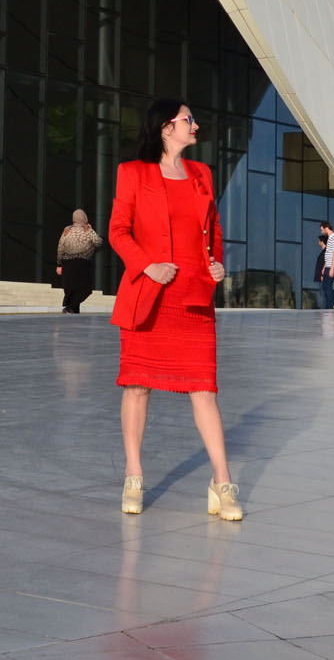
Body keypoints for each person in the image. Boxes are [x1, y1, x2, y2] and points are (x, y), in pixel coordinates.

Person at [109, 98, 241, 521]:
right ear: (166, 128)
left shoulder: (202, 174)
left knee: (205, 389)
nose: (195, 125)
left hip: (193, 299)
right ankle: (133, 475)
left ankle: (222, 483)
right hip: (149, 295)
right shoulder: (132, 173)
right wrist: (147, 265)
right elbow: (118, 231)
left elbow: (212, 230)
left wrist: (216, 263)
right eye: (188, 120)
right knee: (137, 386)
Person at [55, 209, 103, 314]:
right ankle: (70, 308)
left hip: (67, 263)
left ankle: (71, 310)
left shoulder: (67, 230)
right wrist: (91, 230)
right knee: (85, 289)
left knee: (71, 289)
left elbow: (60, 248)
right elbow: (99, 242)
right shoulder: (87, 229)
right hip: (82, 263)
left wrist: (59, 264)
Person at [319, 221, 334, 309]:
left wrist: (332, 268)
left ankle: (332, 305)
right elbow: (328, 255)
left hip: (332, 267)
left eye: (322, 230)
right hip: (328, 266)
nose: (322, 232)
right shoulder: (330, 239)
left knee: (327, 286)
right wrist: (324, 267)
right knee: (325, 286)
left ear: (326, 228)